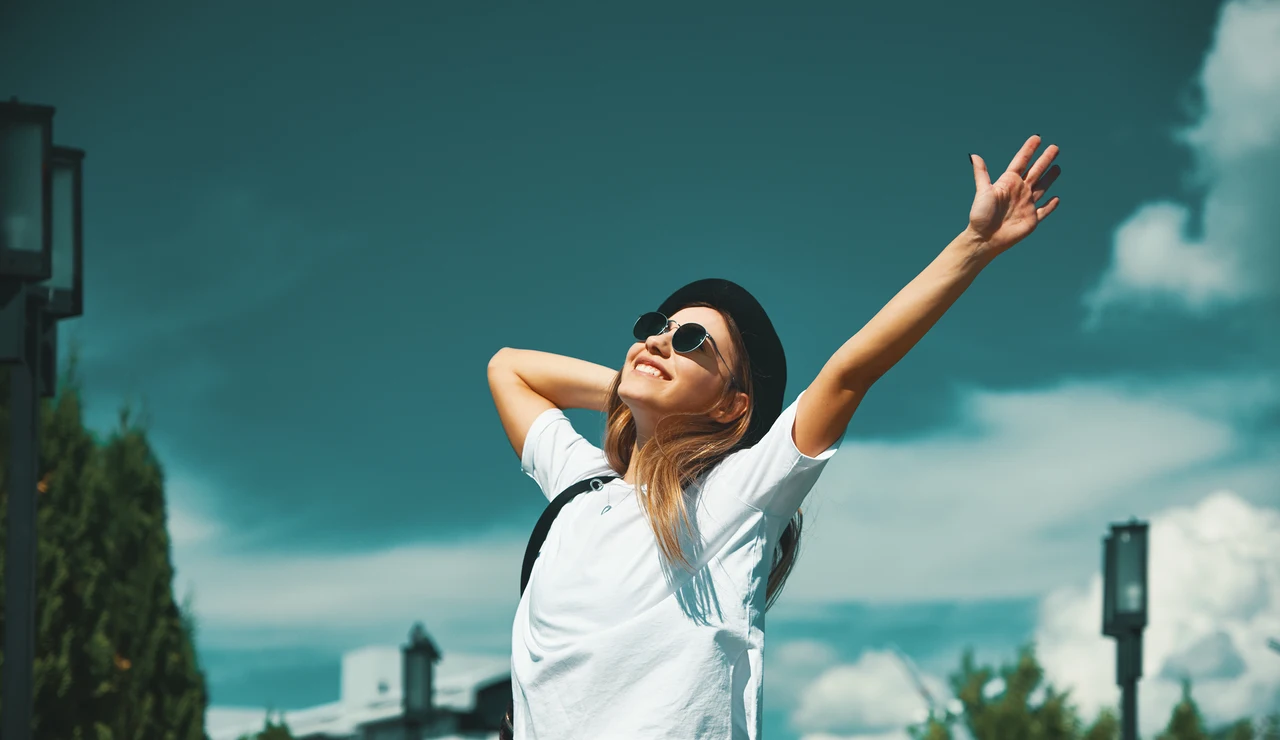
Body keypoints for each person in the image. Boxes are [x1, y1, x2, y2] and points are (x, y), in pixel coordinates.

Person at [487, 135, 1061, 739]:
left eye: (691, 342)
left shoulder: (738, 494)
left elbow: (848, 373)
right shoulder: (581, 487)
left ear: (732, 404)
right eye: (657, 327)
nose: (658, 340)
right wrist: (638, 385)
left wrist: (974, 246)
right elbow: (508, 369)